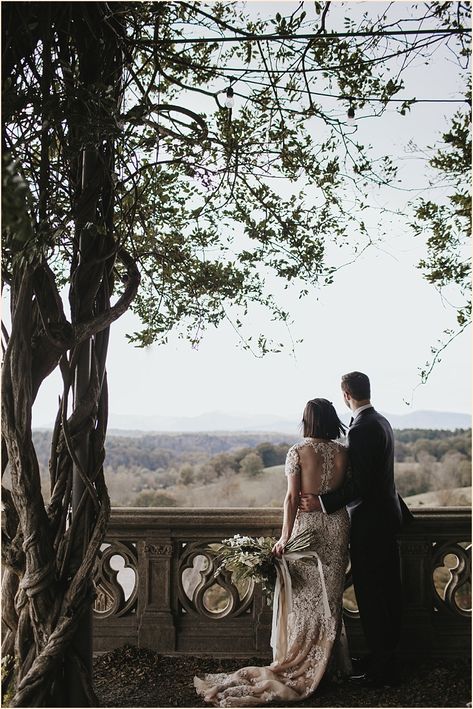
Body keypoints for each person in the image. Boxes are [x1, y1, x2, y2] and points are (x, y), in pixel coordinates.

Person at [194, 398, 352, 706]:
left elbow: (292, 498)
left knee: (304, 598)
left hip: (308, 529)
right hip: (337, 527)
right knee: (329, 598)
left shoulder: (298, 452)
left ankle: (302, 661)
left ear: (307, 421)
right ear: (332, 420)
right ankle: (327, 667)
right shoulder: (345, 453)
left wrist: (283, 537)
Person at [300, 371, 414, 688]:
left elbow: (362, 483)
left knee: (373, 594)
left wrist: (323, 504)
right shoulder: (381, 421)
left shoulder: (363, 428)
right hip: (385, 518)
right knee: (385, 590)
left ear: (346, 393)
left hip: (372, 522)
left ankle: (383, 670)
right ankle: (384, 657)